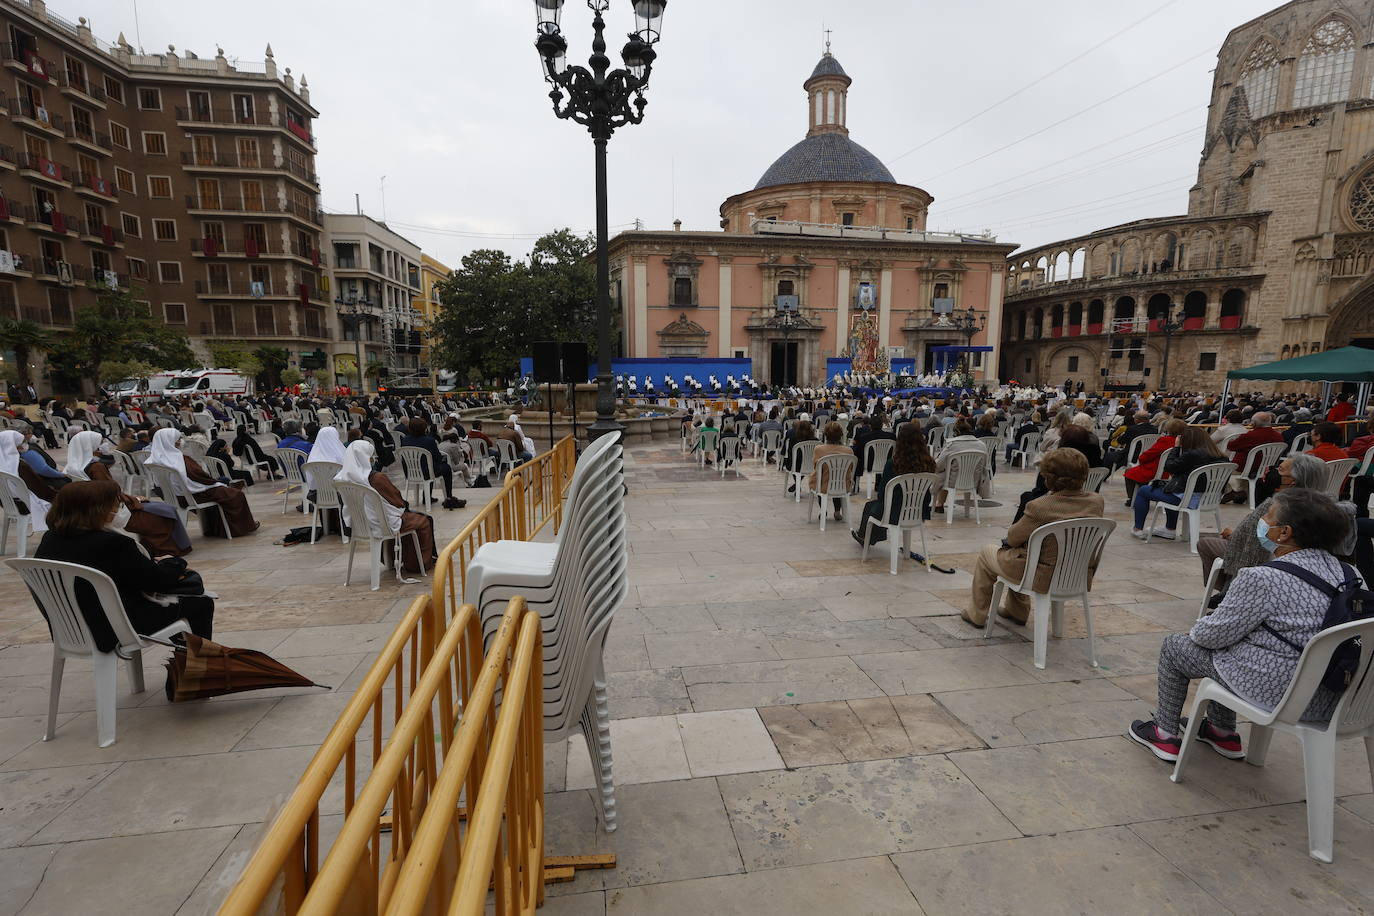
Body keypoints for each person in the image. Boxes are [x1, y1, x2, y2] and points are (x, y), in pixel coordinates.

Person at [1129, 488, 1353, 762]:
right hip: (1335, 698)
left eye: (1268, 517)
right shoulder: (1350, 574)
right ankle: (1220, 732)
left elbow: (1211, 637)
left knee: (1177, 646)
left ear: (1284, 533)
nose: (1262, 521)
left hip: (1279, 693)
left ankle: (1164, 734)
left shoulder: (1263, 577)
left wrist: (1201, 629)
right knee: (1230, 648)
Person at [33, 480, 214, 654]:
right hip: (114, 628)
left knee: (173, 605)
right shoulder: (113, 544)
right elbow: (158, 582)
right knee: (200, 604)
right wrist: (174, 562)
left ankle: (185, 665)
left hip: (71, 629)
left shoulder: (50, 539)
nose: (119, 510)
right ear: (98, 510)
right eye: (114, 505)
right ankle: (194, 672)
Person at [963, 448, 1105, 627]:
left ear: (1049, 477)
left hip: (1042, 577)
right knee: (1025, 553)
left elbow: (1013, 538)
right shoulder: (1097, 501)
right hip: (1077, 575)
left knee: (989, 554)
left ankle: (977, 614)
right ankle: (1016, 610)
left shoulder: (1041, 506)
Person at [1195, 454, 1330, 602]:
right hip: (1303, 561)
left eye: (1280, 470)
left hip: (1267, 555)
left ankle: (1227, 590)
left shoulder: (1277, 506)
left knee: (1205, 543)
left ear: (1292, 481)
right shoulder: (1326, 508)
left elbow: (1255, 538)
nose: (1271, 473)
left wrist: (1234, 535)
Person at [63, 430, 190, 557]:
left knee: (158, 508)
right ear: (89, 446)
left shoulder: (72, 467)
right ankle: (168, 549)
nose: (103, 445)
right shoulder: (96, 467)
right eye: (100, 443)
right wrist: (135, 499)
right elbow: (110, 493)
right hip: (112, 510)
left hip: (96, 509)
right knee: (165, 510)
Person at [334, 439, 436, 574]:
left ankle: (392, 558)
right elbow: (397, 502)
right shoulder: (376, 478)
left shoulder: (341, 479)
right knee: (424, 520)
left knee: (404, 516)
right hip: (382, 524)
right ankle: (420, 563)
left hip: (359, 525)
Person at [144, 428, 260, 537]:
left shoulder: (155, 460)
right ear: (172, 442)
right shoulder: (180, 459)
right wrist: (215, 482)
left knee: (223, 491)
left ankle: (217, 529)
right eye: (178, 439)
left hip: (175, 497)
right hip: (192, 496)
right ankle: (240, 529)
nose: (180, 442)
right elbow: (200, 476)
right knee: (235, 494)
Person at [1130, 424, 1227, 540]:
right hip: (1209, 499)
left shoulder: (1192, 455)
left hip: (1187, 499)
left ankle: (1139, 528)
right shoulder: (1222, 457)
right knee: (1170, 489)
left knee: (1143, 491)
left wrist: (1176, 448)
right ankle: (1169, 529)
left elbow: (1169, 467)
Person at [853, 422, 935, 550]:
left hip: (895, 511)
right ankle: (868, 538)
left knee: (871, 506)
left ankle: (866, 538)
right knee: (878, 506)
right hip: (919, 510)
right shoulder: (929, 463)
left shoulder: (893, 463)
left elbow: (883, 493)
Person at [400, 419, 466, 510]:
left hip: (411, 472)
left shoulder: (405, 439)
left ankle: (427, 497)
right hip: (426, 472)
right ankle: (449, 497)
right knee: (445, 468)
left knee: (429, 466)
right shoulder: (429, 441)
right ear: (424, 429)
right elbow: (437, 458)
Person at [1122, 417, 1186, 508]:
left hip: (1158, 471)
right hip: (1174, 473)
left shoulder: (1165, 440)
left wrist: (1141, 459)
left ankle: (1133, 498)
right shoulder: (1186, 442)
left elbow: (1148, 455)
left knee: (1129, 472)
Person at [0, 428, 51, 531]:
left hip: (8, 504)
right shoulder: (20, 466)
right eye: (22, 442)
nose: (24, 445)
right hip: (25, 505)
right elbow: (39, 488)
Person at [810, 422, 855, 520]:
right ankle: (837, 511)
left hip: (824, 485)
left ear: (825, 435)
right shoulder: (849, 451)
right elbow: (851, 468)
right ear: (841, 435)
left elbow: (816, 467)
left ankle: (823, 510)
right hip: (843, 485)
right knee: (837, 479)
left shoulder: (819, 449)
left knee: (819, 479)